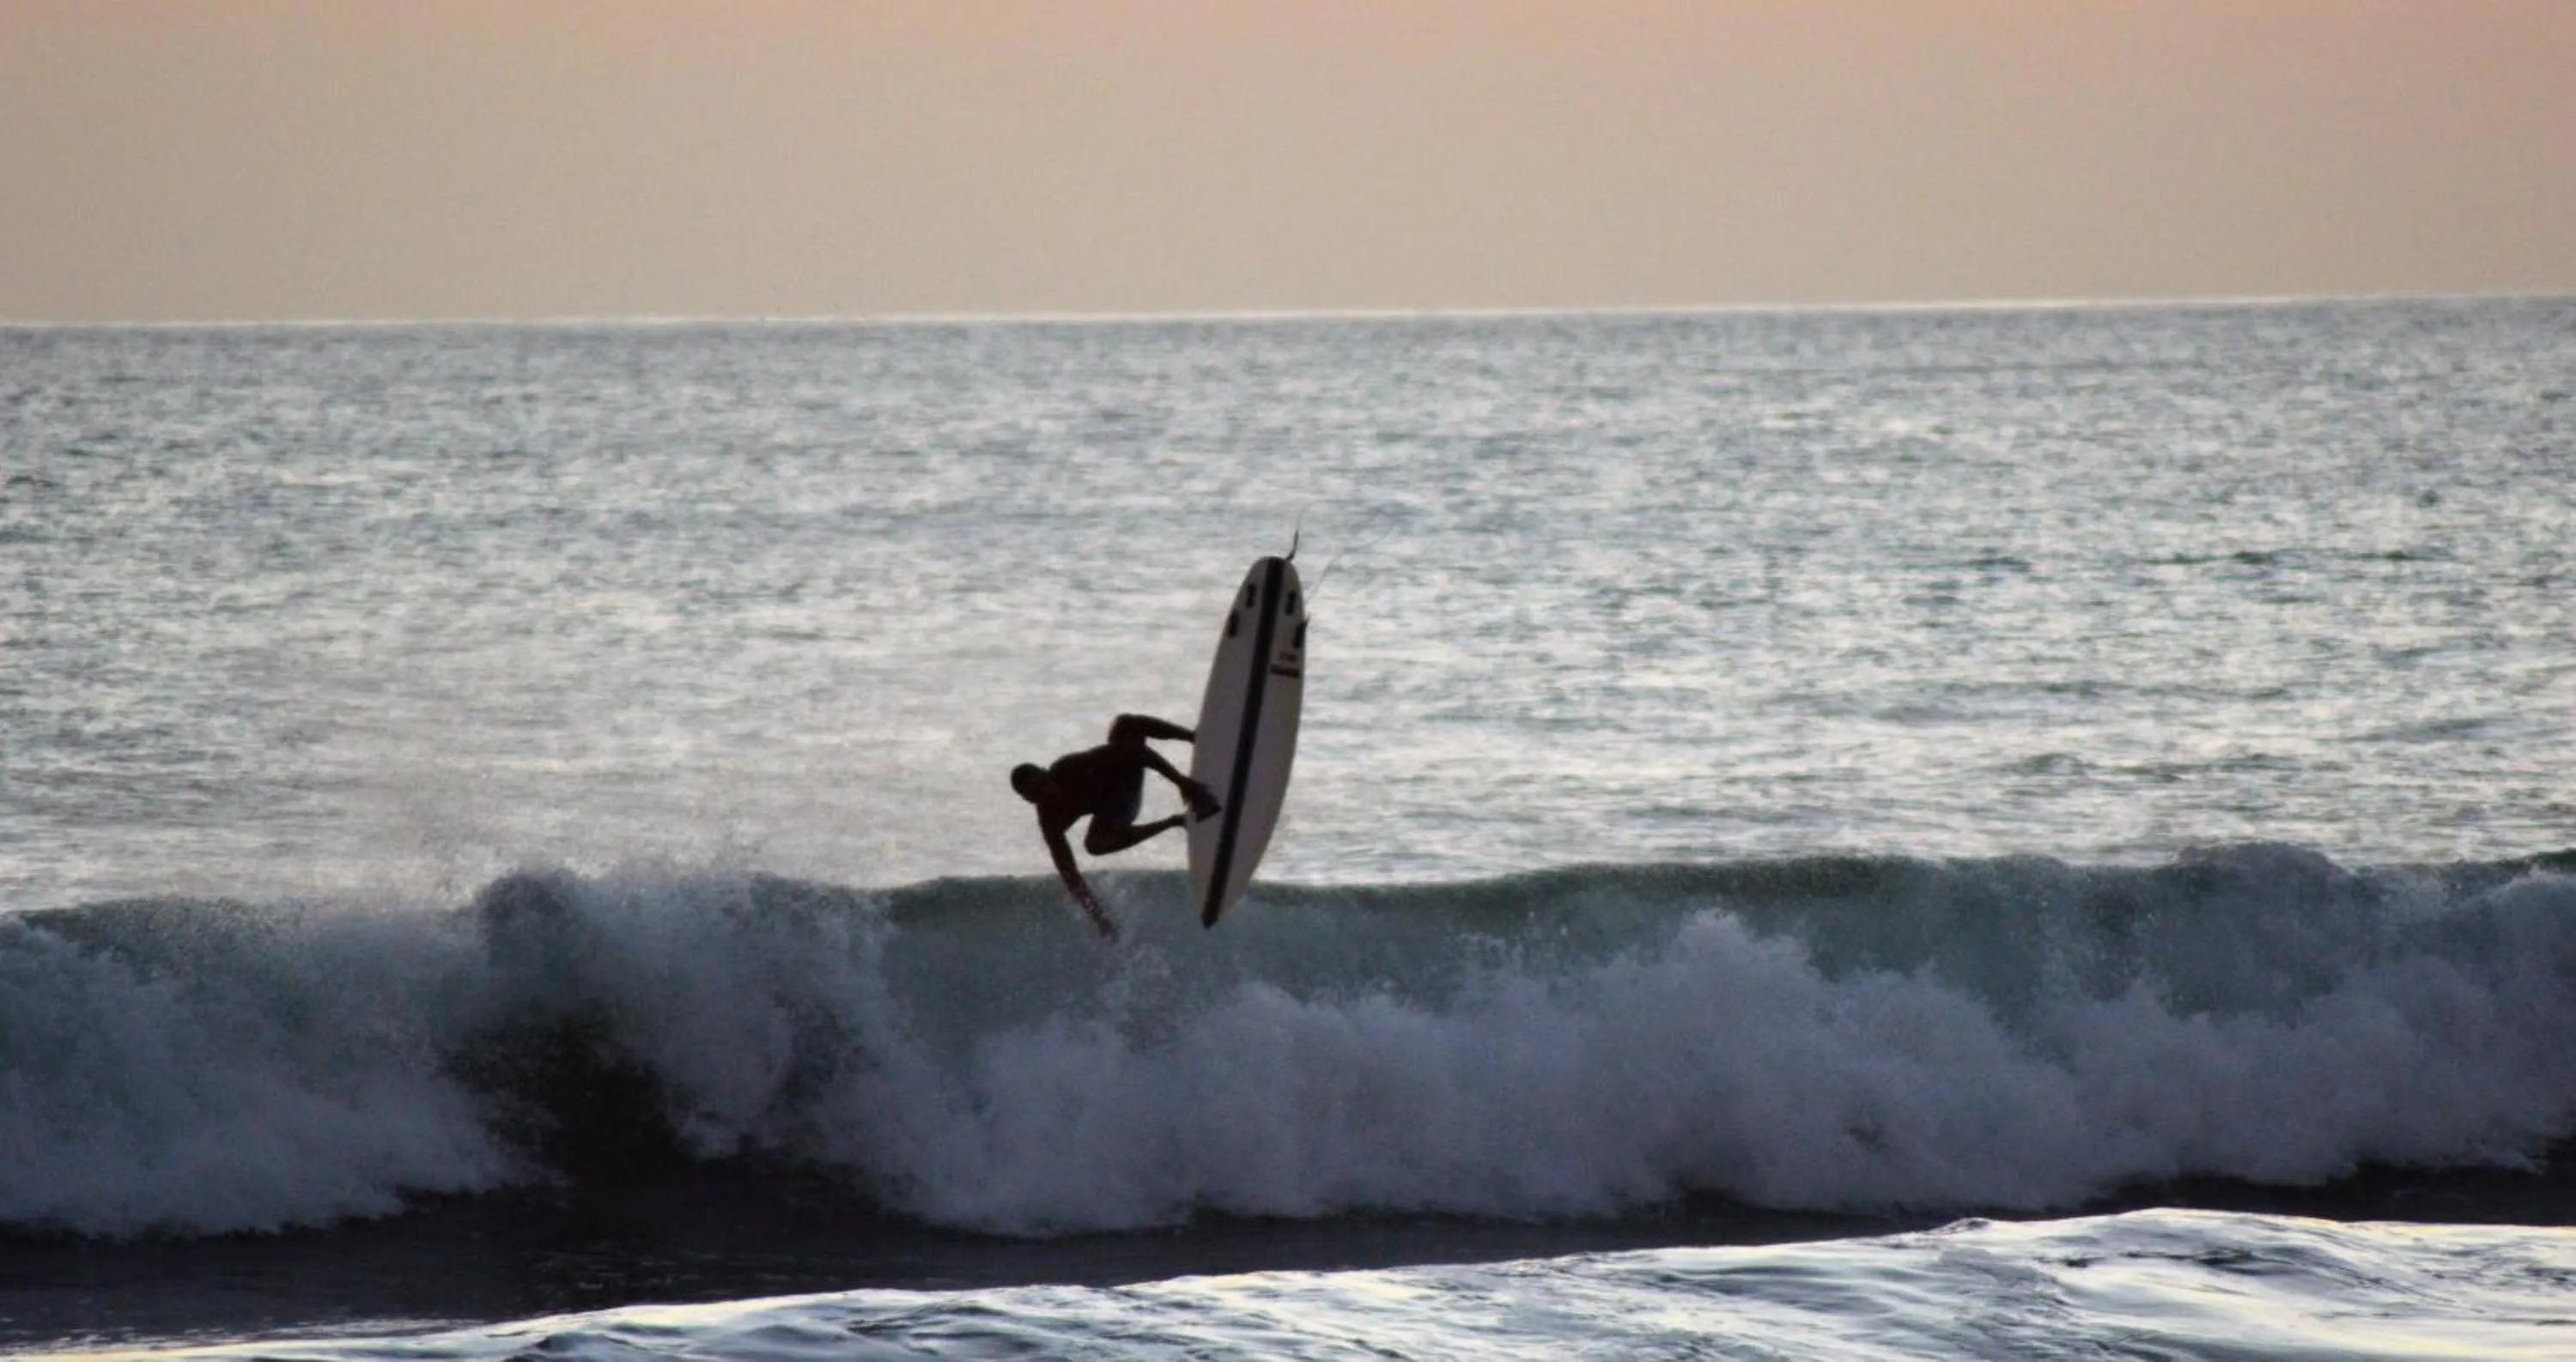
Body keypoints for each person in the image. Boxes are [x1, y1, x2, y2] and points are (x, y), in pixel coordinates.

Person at [1011, 714, 1222, 938]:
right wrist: (1099, 918)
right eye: (1037, 794)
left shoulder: (1070, 767)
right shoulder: (1051, 822)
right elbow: (1071, 877)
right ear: (1030, 801)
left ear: (1047, 772)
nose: (1047, 792)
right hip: (1121, 808)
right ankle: (1175, 821)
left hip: (1127, 779)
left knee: (1126, 725)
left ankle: (1194, 737)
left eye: (1044, 783)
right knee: (1095, 845)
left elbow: (1138, 753)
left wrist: (1182, 782)